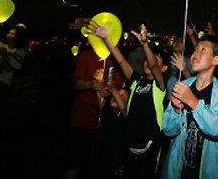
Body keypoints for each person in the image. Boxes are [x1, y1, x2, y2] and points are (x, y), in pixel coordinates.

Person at [92, 23, 169, 179]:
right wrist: (107, 38)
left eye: (154, 59)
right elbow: (121, 61)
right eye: (147, 60)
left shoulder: (159, 86)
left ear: (164, 68)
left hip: (149, 144)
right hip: (130, 142)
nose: (149, 61)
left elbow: (154, 66)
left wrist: (145, 45)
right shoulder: (136, 82)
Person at [161, 35, 218, 179]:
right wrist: (176, 110)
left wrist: (193, 102)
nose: (196, 53)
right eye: (195, 49)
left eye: (203, 50)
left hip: (208, 171)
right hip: (178, 170)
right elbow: (167, 130)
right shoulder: (183, 86)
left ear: (216, 60)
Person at [62, 47, 123, 179]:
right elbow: (76, 83)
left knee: (98, 164)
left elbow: (118, 82)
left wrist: (109, 90)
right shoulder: (86, 55)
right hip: (81, 119)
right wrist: (91, 85)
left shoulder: (113, 57)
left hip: (103, 123)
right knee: (75, 162)